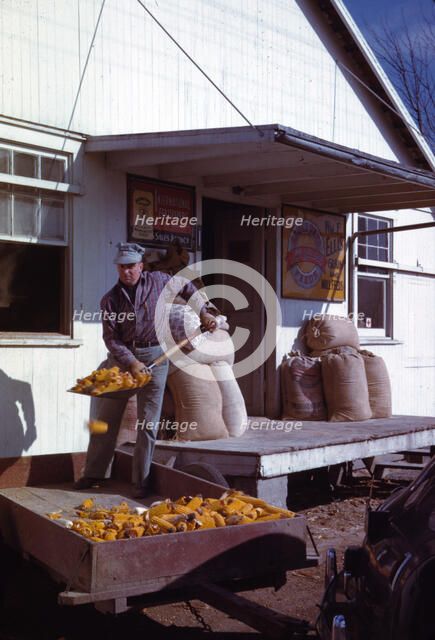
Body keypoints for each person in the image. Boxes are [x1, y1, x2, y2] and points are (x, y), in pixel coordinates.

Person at [75, 242, 217, 497]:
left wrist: (205, 312)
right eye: (121, 267)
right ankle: (94, 474)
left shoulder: (160, 281)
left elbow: (187, 287)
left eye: (131, 266)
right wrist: (131, 363)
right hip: (122, 361)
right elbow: (112, 339)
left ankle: (141, 482)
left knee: (148, 424)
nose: (126, 271)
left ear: (140, 266)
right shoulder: (110, 300)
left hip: (156, 356)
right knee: (104, 420)